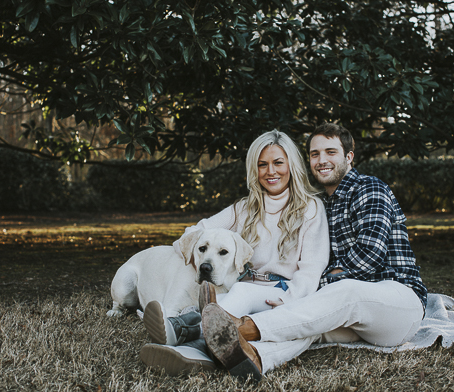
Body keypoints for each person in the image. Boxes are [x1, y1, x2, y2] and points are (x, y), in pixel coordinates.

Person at [200, 123, 428, 381]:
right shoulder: (323, 203)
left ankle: (243, 328)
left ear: (349, 157)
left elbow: (368, 258)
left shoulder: (368, 189)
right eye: (315, 154)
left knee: (345, 292)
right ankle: (255, 356)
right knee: (307, 325)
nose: (322, 160)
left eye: (331, 152)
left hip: (396, 303)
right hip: (350, 315)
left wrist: (311, 288)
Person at [139, 130, 330, 377]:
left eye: (278, 163)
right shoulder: (245, 208)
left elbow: (313, 266)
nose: (271, 171)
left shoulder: (311, 209)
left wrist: (291, 299)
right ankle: (192, 350)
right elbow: (195, 233)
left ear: (292, 165)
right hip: (243, 291)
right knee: (229, 295)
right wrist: (194, 255)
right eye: (263, 165)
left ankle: (187, 333)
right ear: (255, 169)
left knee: (239, 292)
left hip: (279, 293)